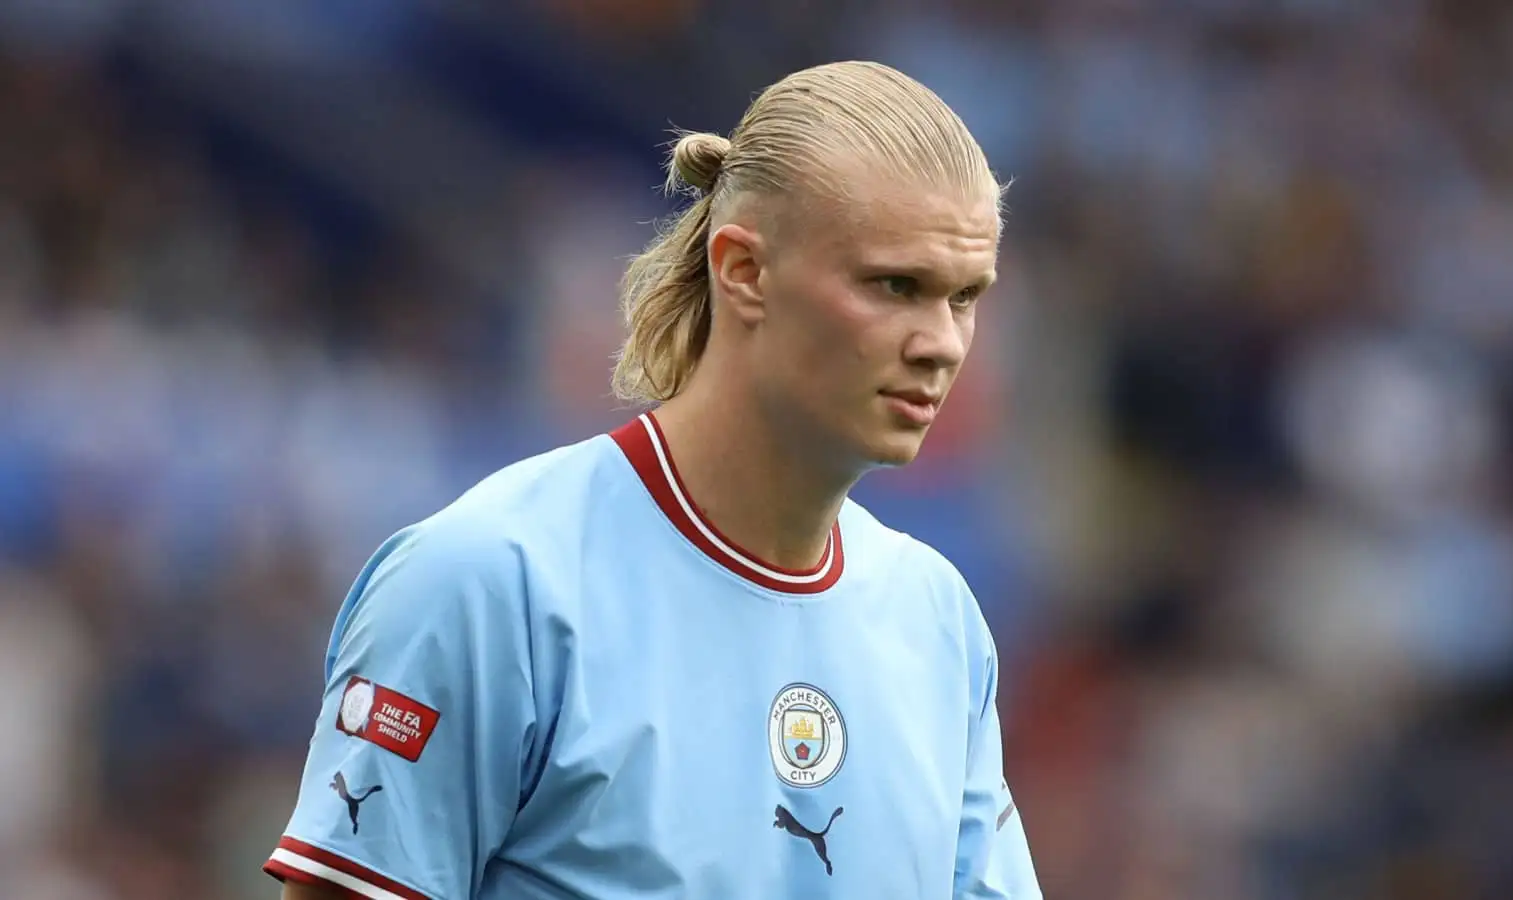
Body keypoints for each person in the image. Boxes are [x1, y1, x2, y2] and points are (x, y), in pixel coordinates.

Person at [265, 59, 1040, 899]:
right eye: (897, 285)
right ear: (743, 270)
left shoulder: (939, 622)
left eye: (965, 298)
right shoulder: (489, 583)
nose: (942, 344)